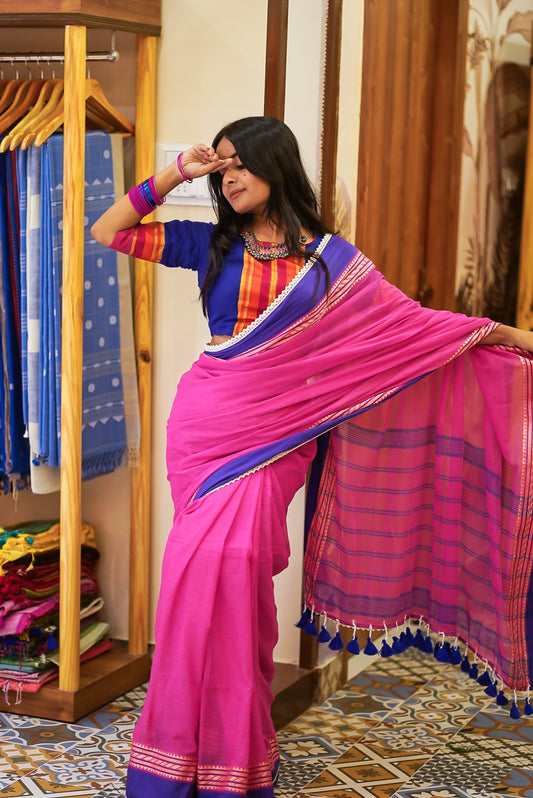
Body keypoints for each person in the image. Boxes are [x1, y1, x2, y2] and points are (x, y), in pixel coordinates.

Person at [91, 116, 533, 798]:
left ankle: (230, 759)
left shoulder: (331, 264)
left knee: (238, 579)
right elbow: (109, 231)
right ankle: (174, 758)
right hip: (205, 430)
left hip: (276, 440)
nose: (230, 177)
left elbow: (409, 327)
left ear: (277, 166)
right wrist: (178, 171)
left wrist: (509, 336)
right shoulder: (211, 243)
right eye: (222, 166)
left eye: (241, 163)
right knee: (191, 582)